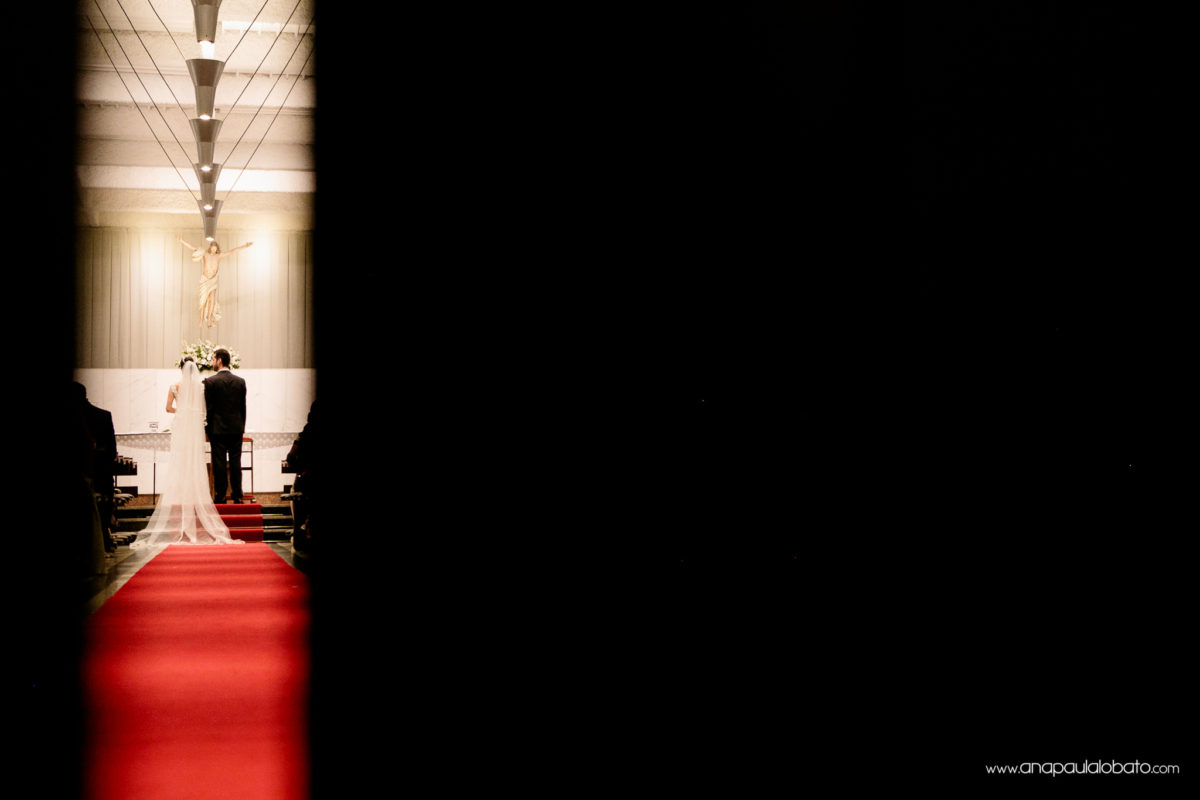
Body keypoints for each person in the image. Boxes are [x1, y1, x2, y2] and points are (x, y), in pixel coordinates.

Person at [129, 358, 241, 549]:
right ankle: (198, 494)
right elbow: (205, 410)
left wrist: (182, 411)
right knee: (196, 461)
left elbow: (167, 408)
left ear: (181, 369)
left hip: (181, 426)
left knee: (180, 461)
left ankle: (179, 497)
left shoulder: (174, 386)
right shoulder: (201, 388)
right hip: (195, 427)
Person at [177, 236, 253, 328]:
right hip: (205, 280)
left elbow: (232, 252)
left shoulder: (219, 256)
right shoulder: (205, 254)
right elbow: (193, 248)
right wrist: (182, 241)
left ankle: (209, 318)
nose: (213, 249)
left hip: (213, 280)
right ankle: (200, 320)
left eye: (215, 247)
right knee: (203, 300)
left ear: (217, 249)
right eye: (212, 247)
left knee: (211, 299)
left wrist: (244, 246)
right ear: (210, 248)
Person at [203, 348, 248, 504]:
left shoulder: (210, 382)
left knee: (219, 463)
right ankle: (237, 495)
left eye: (213, 359)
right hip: (236, 429)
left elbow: (208, 409)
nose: (212, 362)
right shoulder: (240, 381)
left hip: (218, 430)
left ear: (220, 360)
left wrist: (207, 430)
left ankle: (220, 496)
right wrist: (241, 427)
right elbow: (243, 408)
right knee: (236, 463)